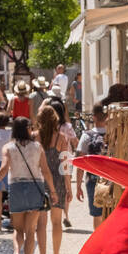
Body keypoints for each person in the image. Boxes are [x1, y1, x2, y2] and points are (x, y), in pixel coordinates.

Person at [0, 116, 56, 254]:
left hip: (16, 188)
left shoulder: (8, 147)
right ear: (27, 129)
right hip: (35, 188)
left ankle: (17, 253)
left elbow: (4, 168)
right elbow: (45, 171)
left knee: (18, 230)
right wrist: (53, 191)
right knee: (30, 231)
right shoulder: (37, 147)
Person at [36, 104, 71, 254]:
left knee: (40, 223)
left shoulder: (34, 137)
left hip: (39, 182)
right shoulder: (61, 138)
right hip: (57, 182)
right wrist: (69, 187)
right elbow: (65, 165)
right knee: (56, 222)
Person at [74, 103, 108, 229]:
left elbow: (81, 162)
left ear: (93, 117)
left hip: (93, 180)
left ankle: (99, 244)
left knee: (97, 215)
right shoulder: (114, 134)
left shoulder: (87, 135)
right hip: (111, 181)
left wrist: (78, 186)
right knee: (111, 214)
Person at [45, 97, 77, 228]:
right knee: (65, 185)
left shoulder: (46, 128)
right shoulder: (67, 127)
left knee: (50, 185)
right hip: (67, 159)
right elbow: (75, 141)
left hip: (50, 159)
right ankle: (65, 214)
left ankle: (50, 210)